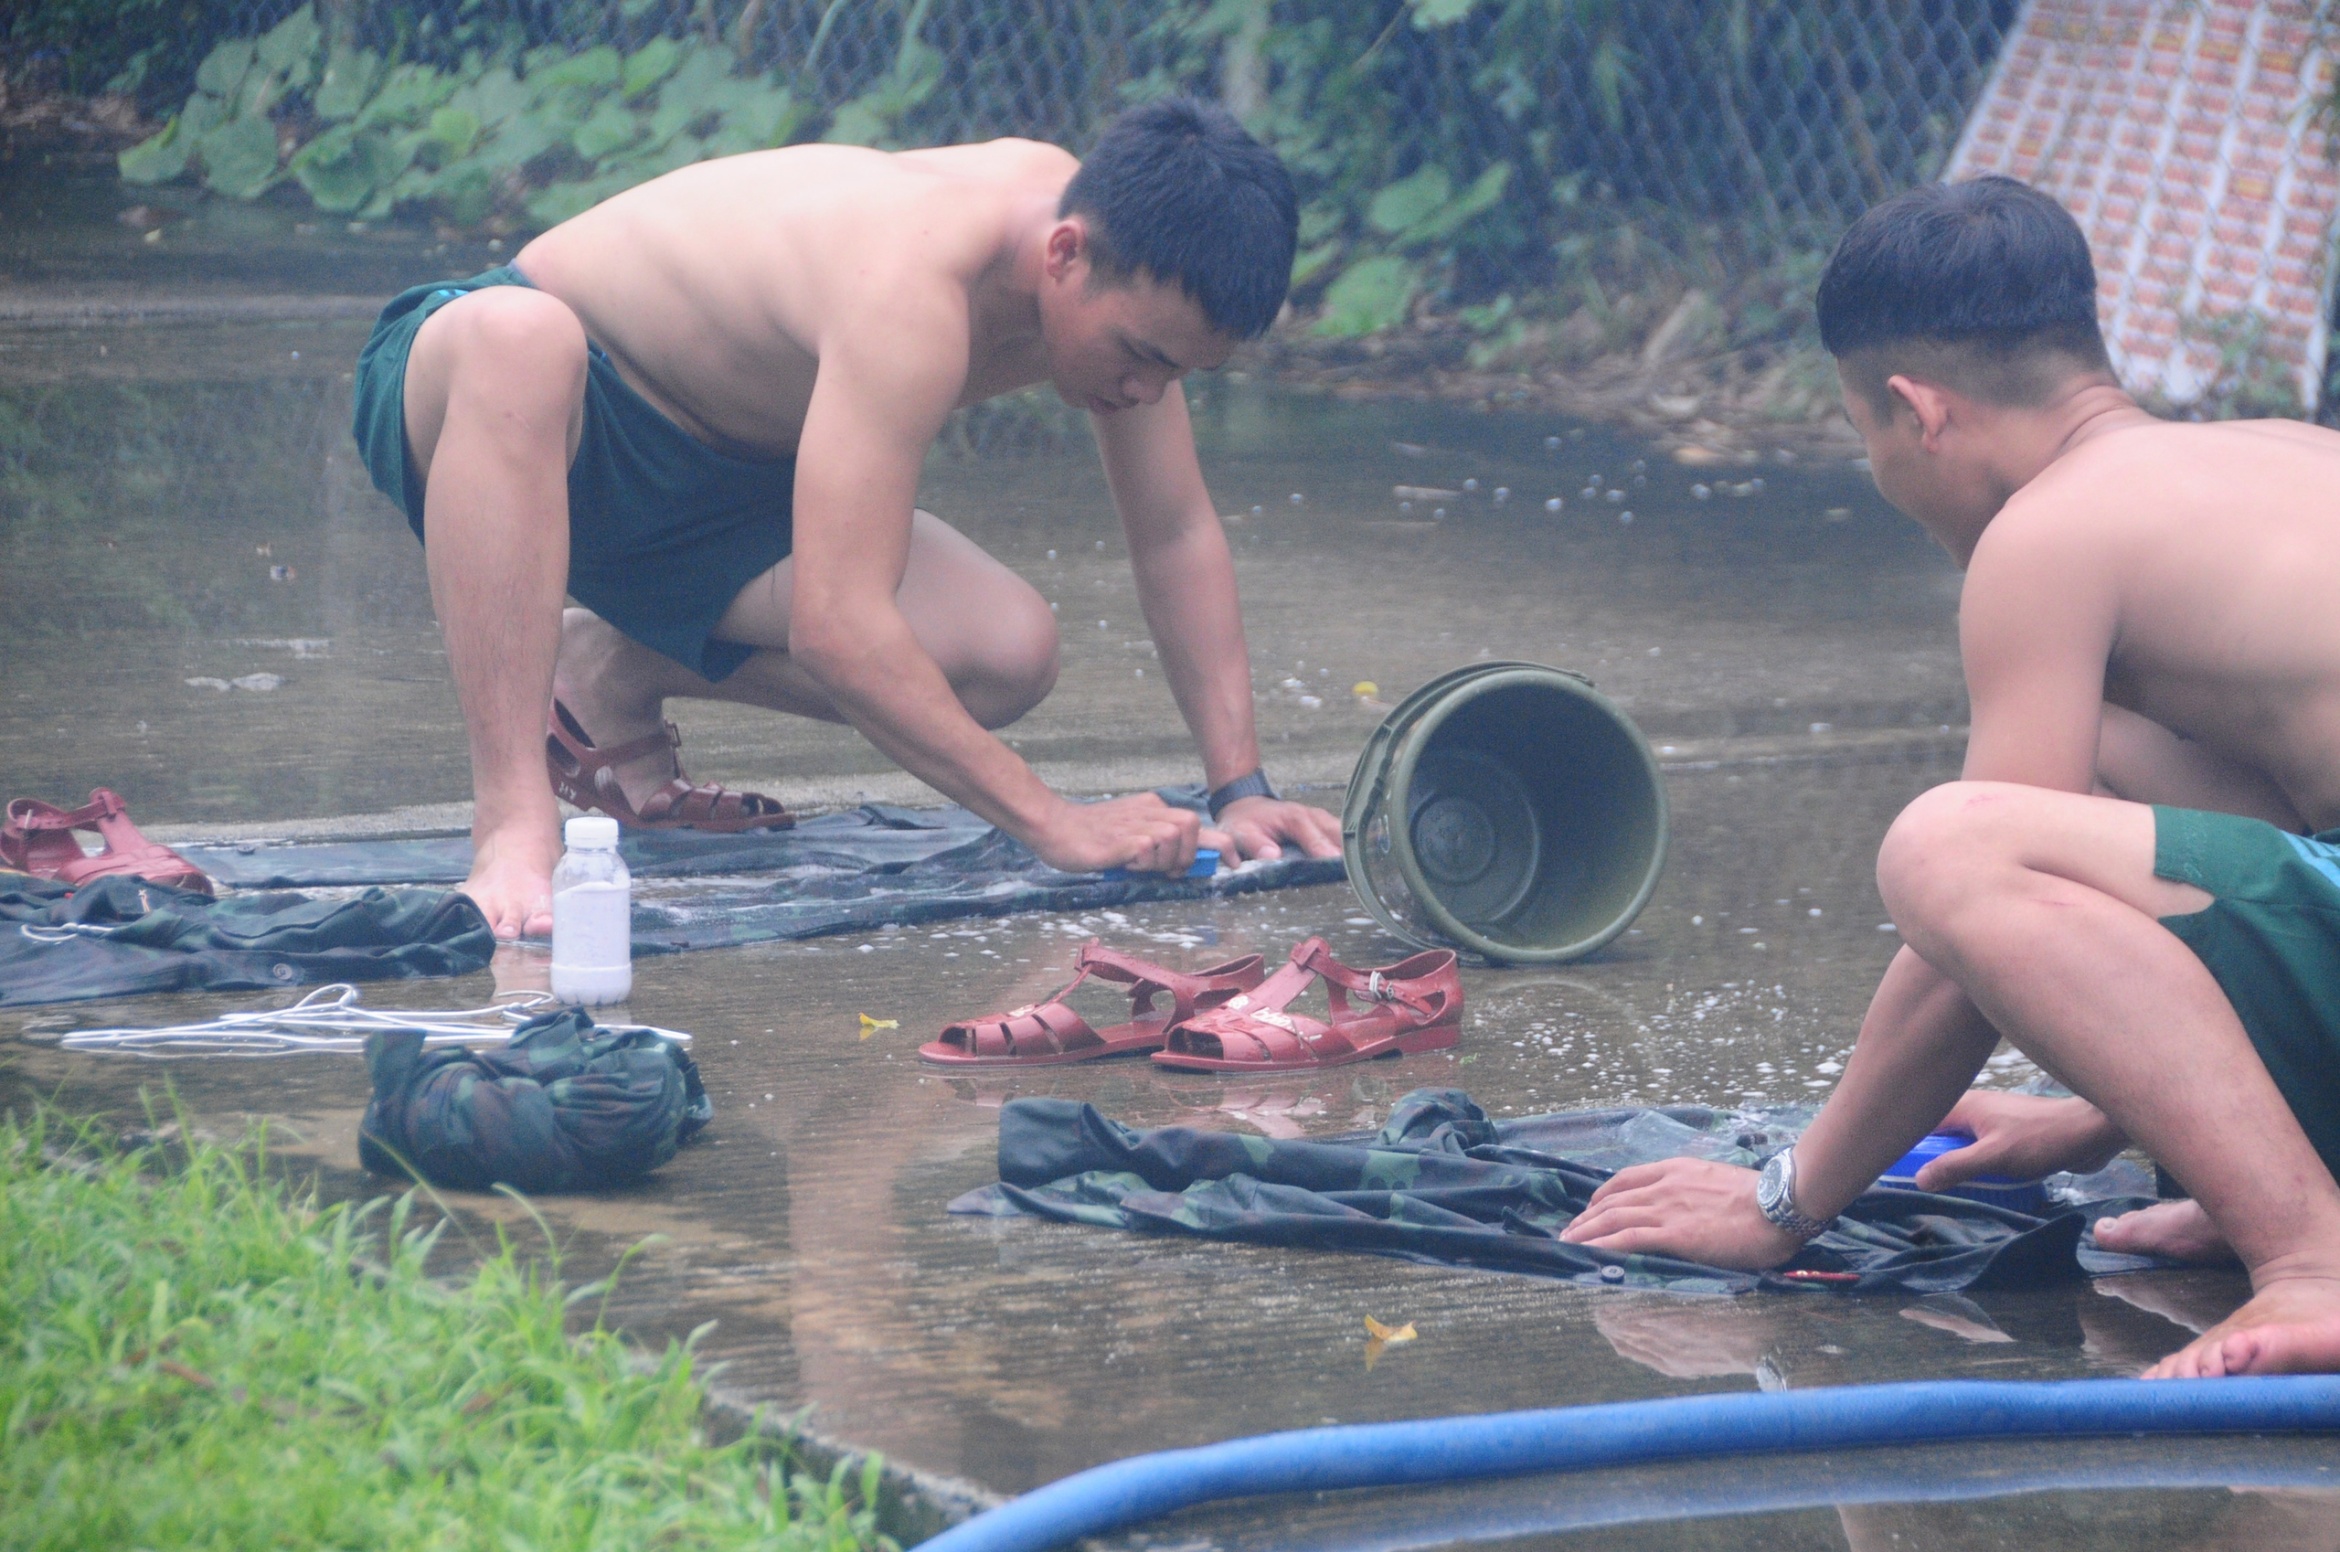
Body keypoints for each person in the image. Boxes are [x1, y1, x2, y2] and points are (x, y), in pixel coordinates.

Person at [1561, 174, 2340, 1378]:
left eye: (1867, 437)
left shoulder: (2048, 535)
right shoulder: (2275, 455)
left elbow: (1965, 931)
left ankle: (2311, 1260)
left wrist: (1784, 1198)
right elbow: (2254, 863)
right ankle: (2278, 1179)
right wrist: (2100, 1117)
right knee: (2112, 772)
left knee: (1950, 844)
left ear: (1917, 411)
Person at [351, 97, 1342, 939]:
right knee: (518, 337)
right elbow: (837, 626)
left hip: (723, 491)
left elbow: (1173, 532)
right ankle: (514, 826)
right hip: (520, 412)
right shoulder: (914, 284)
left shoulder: (1122, 271)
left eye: (1178, 370)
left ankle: (608, 670)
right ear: (1067, 254)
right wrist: (1055, 822)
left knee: (1006, 649)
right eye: (1140, 355)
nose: (1147, 388)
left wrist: (1240, 788)